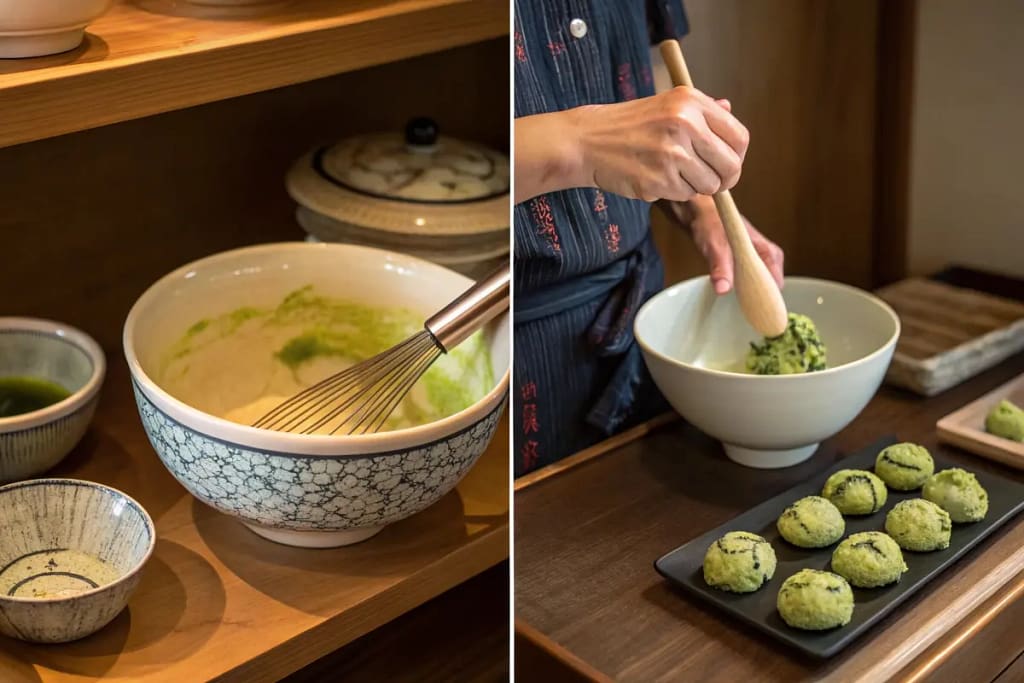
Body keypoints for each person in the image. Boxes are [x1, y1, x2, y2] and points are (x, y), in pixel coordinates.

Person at [513, 1, 786, 476]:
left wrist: (700, 205)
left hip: (641, 325)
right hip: (516, 353)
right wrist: (580, 144)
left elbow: (649, 67)